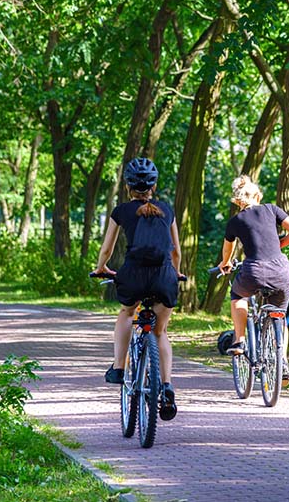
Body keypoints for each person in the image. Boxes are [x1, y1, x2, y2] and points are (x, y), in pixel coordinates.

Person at [94, 158, 184, 421]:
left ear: (128, 186)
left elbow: (107, 249)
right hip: (163, 276)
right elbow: (176, 251)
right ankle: (166, 387)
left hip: (133, 275)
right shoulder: (167, 210)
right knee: (160, 331)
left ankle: (119, 368)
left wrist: (102, 267)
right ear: (153, 185)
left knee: (126, 312)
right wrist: (176, 273)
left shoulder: (121, 211)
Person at [217, 175, 289, 385]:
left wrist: (225, 263)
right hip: (281, 271)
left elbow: (227, 250)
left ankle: (239, 340)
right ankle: (282, 362)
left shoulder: (235, 221)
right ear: (258, 195)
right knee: (280, 315)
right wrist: (278, 244)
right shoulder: (272, 209)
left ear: (238, 201)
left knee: (238, 295)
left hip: (253, 270)